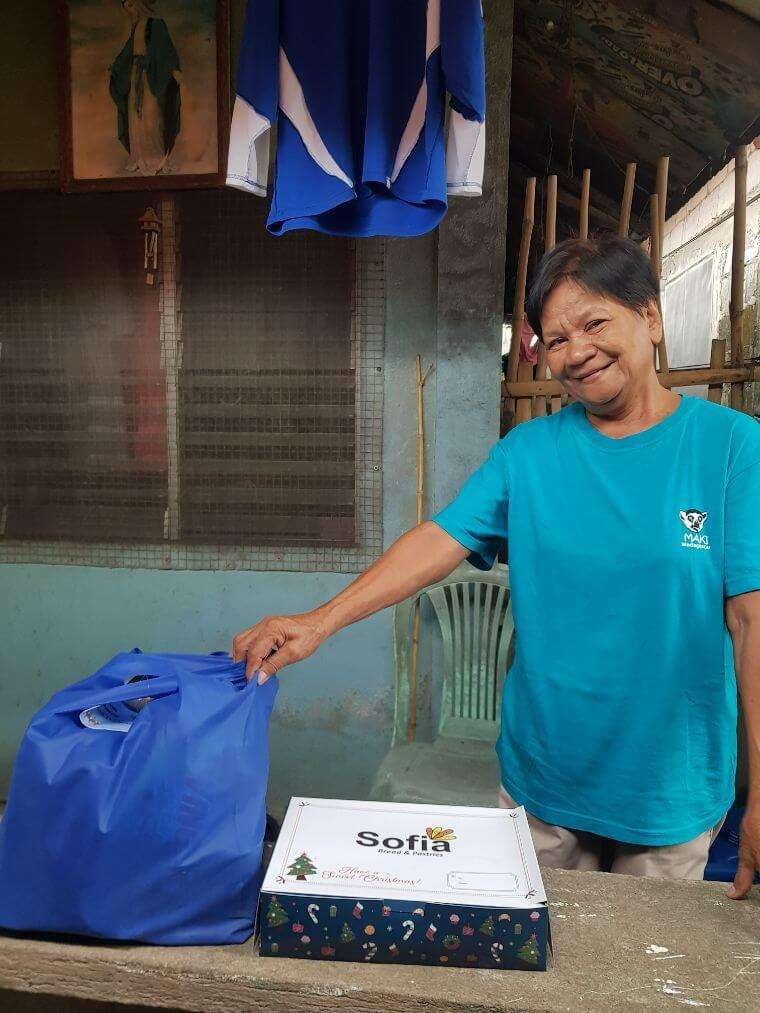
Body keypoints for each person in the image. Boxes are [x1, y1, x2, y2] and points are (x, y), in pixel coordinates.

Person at [232, 236, 760, 896]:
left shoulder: (731, 446)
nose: (577, 351)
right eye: (556, 338)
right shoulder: (529, 452)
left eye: (595, 323)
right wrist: (320, 620)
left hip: (668, 791)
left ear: (650, 317)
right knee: (534, 968)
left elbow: (749, 622)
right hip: (545, 781)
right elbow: (440, 538)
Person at [109, 0, 181, 175]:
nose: (131, 12)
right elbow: (128, 52)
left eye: (132, 7)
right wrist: (117, 67)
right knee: (136, 117)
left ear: (139, 5)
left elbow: (165, 51)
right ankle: (138, 157)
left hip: (151, 77)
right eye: (128, 8)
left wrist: (151, 63)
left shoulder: (156, 23)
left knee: (152, 114)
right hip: (136, 76)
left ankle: (158, 157)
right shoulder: (137, 26)